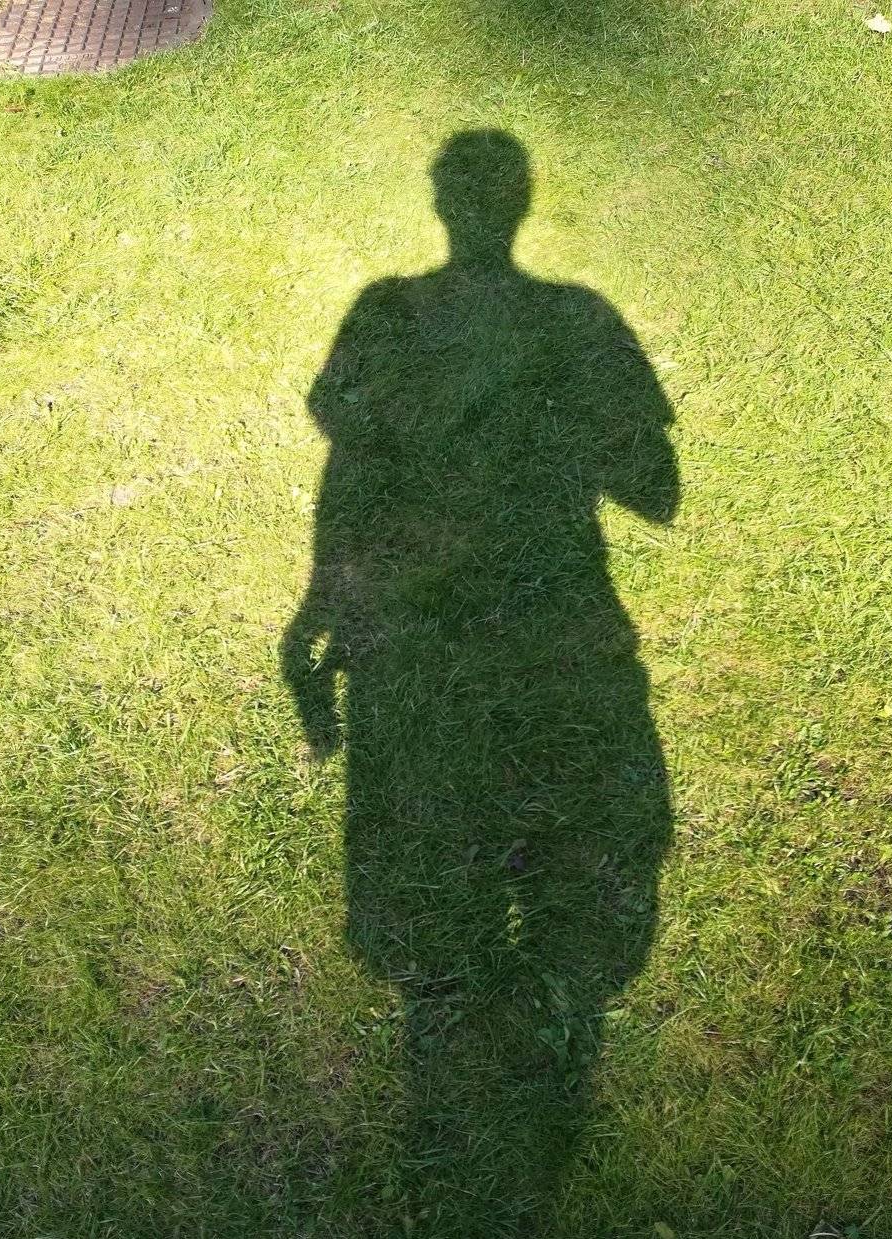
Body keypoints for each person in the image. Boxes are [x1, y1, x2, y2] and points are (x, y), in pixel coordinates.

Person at [282, 130, 678, 1087]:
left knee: (444, 815)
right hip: (551, 620)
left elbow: (348, 450)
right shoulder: (576, 319)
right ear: (523, 203)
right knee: (544, 812)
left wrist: (322, 598)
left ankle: (468, 1007)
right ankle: (529, 1006)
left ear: (440, 204)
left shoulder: (386, 312)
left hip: (424, 628)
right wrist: (547, 411)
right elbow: (655, 489)